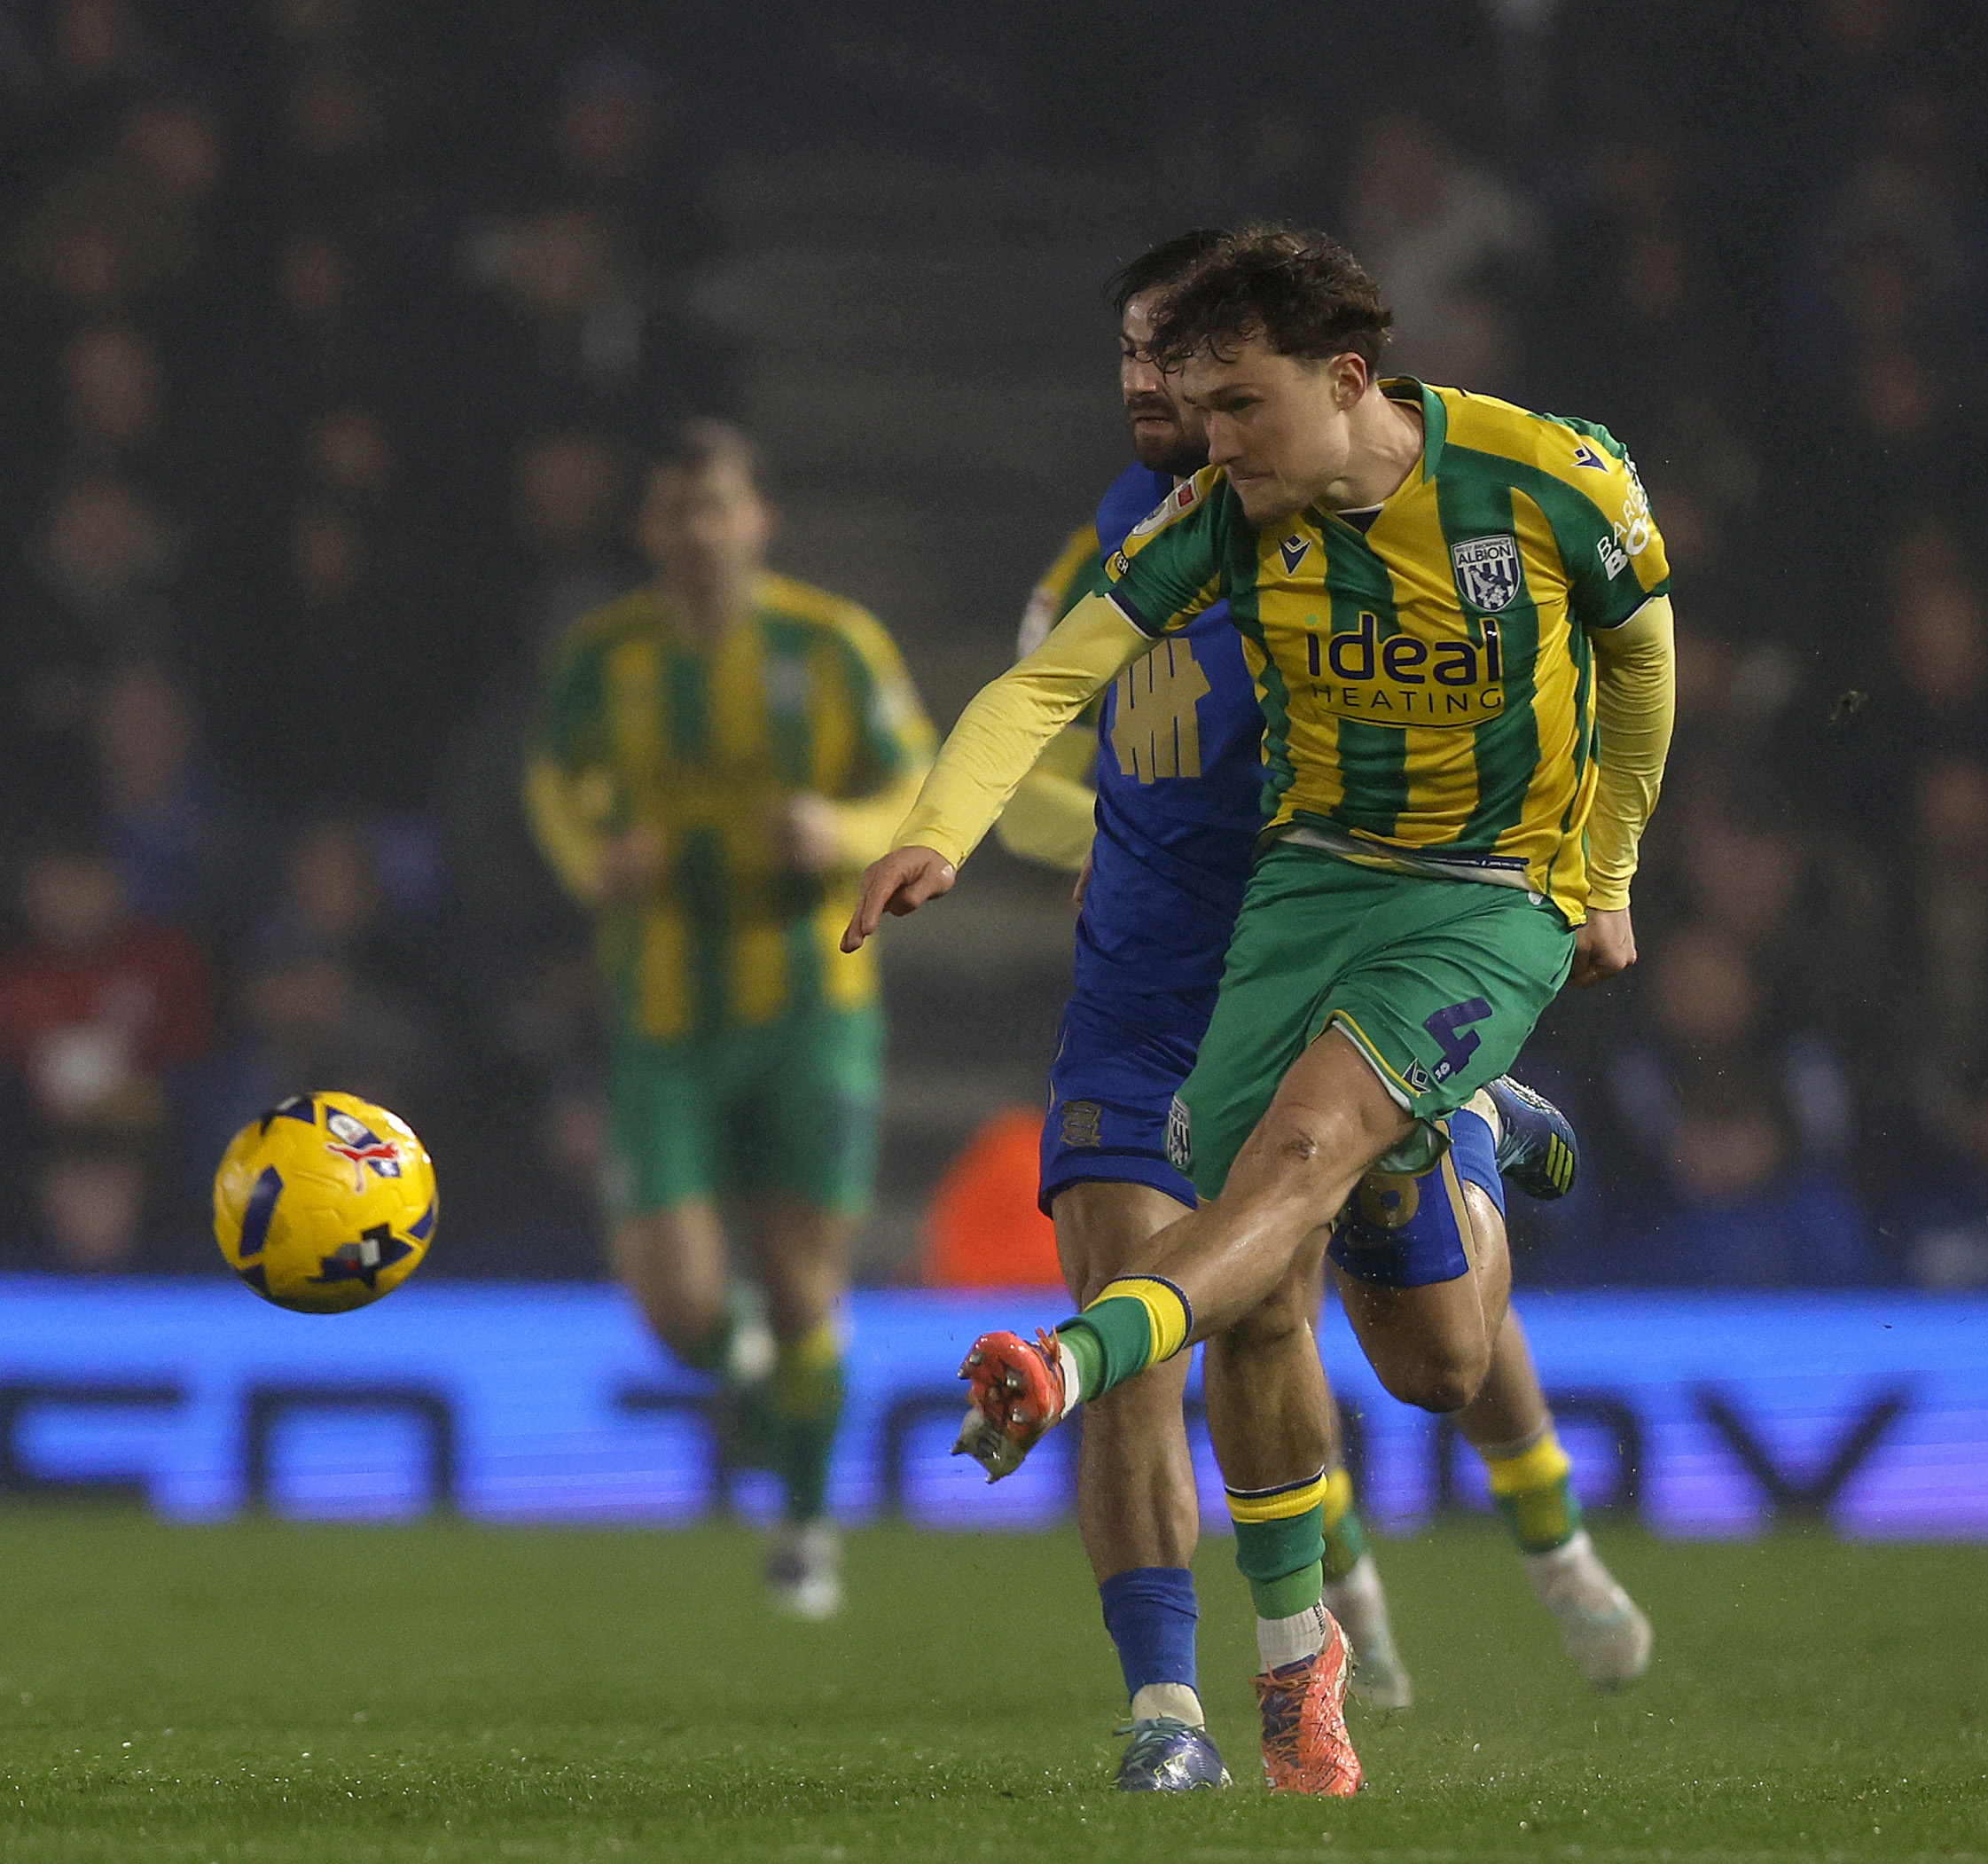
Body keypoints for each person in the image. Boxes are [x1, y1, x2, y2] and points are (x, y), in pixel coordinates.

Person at [845, 228, 1676, 1793]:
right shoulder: (1189, 529)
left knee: (1297, 1197)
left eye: (1219, 391)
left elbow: (1641, 653)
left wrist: (1607, 867)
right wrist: (943, 833)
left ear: (1337, 376)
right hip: (1257, 933)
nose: (1180, 414)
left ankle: (1080, 1359)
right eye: (1155, 377)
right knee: (1296, 1304)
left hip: (1474, 897)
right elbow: (1041, 691)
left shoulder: (1545, 476)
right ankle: (1251, 1683)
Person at [525, 419, 934, 1617]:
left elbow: (916, 772)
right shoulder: (606, 655)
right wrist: (593, 855)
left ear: (760, 519)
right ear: (648, 528)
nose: (697, 532)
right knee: (676, 1303)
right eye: (674, 510)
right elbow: (554, 778)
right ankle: (754, 1373)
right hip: (662, 1009)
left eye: (717, 507)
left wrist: (847, 834)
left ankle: (805, 1528)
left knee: (807, 1281)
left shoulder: (834, 642)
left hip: (813, 1003)